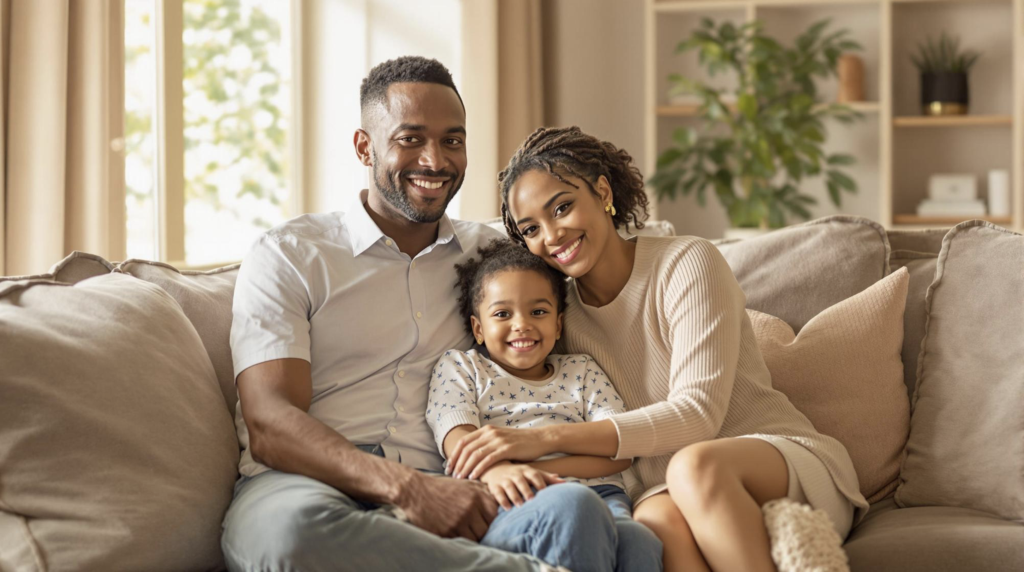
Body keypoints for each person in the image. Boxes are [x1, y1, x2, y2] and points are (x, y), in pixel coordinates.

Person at [221, 59, 616, 571]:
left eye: (453, 141)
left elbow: (586, 300)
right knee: (290, 539)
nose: (435, 160)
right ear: (365, 147)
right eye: (410, 139)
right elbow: (271, 424)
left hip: (463, 492)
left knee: (571, 509)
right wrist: (407, 488)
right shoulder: (291, 254)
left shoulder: (496, 258)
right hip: (306, 488)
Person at [446, 126, 870, 572]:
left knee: (694, 467)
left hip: (773, 460)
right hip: (663, 486)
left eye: (563, 207)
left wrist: (537, 441)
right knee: (650, 523)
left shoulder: (688, 262)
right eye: (531, 228)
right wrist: (491, 464)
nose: (551, 236)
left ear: (603, 191)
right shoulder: (554, 314)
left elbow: (698, 413)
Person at [427, 238, 663, 572]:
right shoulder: (462, 368)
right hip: (508, 500)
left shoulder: (581, 370)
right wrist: (502, 472)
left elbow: (620, 451)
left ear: (558, 324)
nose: (521, 324)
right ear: (478, 328)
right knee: (574, 504)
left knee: (641, 540)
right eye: (502, 314)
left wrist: (537, 472)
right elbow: (459, 441)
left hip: (604, 495)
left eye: (538, 312)